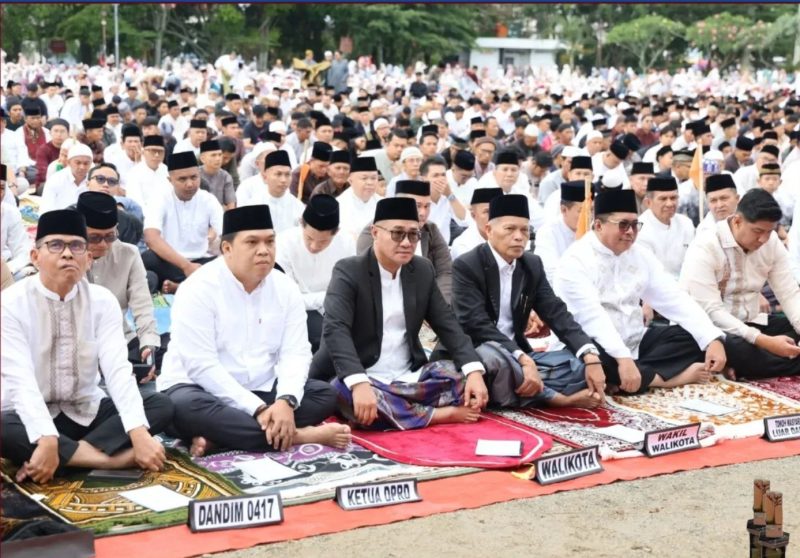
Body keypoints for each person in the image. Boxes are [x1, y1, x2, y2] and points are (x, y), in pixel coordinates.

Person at [157, 205, 351, 455]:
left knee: (323, 394)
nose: (264, 250)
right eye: (252, 242)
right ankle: (298, 435)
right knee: (180, 407)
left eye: (270, 241)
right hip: (198, 388)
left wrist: (286, 401)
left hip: (261, 386)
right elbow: (201, 366)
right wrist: (258, 409)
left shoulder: (284, 287)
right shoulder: (198, 288)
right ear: (227, 249)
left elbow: (296, 353)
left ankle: (222, 438)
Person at [1, 209, 173, 483]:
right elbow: (20, 380)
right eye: (55, 245)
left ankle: (61, 458)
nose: (67, 254)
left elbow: (117, 370)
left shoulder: (102, 301)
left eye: (77, 246)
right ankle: (111, 460)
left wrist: (138, 432)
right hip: (26, 413)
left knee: (159, 404)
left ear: (89, 259)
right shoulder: (10, 303)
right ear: (36, 256)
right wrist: (45, 437)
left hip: (84, 408)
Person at [309, 197, 489, 430]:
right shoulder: (349, 270)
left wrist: (472, 370)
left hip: (408, 374)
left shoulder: (422, 269)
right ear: (375, 232)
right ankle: (437, 415)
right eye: (397, 233)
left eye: (413, 235)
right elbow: (336, 330)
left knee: (467, 377)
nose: (406, 242)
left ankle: (406, 410)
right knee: (347, 395)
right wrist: (358, 382)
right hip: (362, 373)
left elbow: (447, 324)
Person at [555, 189, 728, 394]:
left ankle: (634, 376)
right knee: (593, 358)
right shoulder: (576, 259)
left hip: (635, 342)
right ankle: (662, 380)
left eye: (635, 225)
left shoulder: (640, 255)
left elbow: (673, 298)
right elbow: (591, 317)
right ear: (599, 225)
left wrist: (711, 339)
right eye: (623, 225)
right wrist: (622, 357)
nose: (630, 232)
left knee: (691, 337)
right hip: (595, 345)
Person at [452, 194, 605, 408]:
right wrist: (523, 359)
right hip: (479, 352)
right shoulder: (467, 265)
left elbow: (556, 312)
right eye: (510, 229)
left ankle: (524, 388)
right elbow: (476, 325)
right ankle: (558, 399)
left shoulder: (531, 264)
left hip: (521, 354)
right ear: (489, 230)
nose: (519, 237)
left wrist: (590, 356)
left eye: (525, 230)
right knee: (494, 360)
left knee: (582, 363)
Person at [680, 189, 800, 379]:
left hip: (753, 322)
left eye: (769, 232)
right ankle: (758, 362)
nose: (763, 239)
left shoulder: (771, 242)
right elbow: (711, 311)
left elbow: (789, 293)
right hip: (714, 329)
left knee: (793, 328)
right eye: (758, 231)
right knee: (738, 348)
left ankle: (751, 364)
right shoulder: (707, 244)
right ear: (737, 221)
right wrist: (765, 342)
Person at [77, 192, 160, 381]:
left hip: (118, 338)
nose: (104, 244)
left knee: (165, 352)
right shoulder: (66, 257)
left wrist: (148, 345)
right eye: (95, 238)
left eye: (110, 236)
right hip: (77, 344)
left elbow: (143, 305)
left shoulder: (128, 254)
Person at [276, 194, 356, 353]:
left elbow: (347, 291)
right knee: (325, 339)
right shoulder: (284, 242)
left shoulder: (346, 243)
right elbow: (286, 298)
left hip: (334, 309)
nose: (314, 246)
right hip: (294, 311)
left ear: (336, 232)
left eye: (323, 241)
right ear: (301, 223)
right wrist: (327, 297)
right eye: (309, 238)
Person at [357, 180, 453, 302]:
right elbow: (370, 277)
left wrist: (438, 304)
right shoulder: (375, 232)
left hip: (428, 300)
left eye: (427, 206)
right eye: (417, 206)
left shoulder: (431, 229)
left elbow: (445, 271)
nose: (423, 213)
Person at [142, 151, 223, 293]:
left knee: (227, 264)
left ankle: (180, 286)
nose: (190, 184)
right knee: (148, 258)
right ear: (170, 180)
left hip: (201, 261)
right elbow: (151, 238)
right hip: (170, 262)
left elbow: (227, 234)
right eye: (182, 179)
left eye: (194, 177)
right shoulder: (159, 198)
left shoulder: (208, 199)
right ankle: (196, 285)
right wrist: (186, 266)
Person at [636, 177, 695, 280]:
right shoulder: (640, 230)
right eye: (663, 199)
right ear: (648, 203)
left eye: (673, 198)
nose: (670, 204)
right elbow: (648, 273)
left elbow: (694, 261)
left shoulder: (686, 223)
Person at [236, 150, 304, 232]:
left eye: (287, 174)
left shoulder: (298, 207)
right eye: (278, 174)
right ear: (265, 177)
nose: (283, 180)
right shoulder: (253, 205)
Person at [534, 181, 588, 282]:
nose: (588, 216)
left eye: (591, 210)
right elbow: (550, 274)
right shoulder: (548, 232)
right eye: (581, 211)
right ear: (564, 210)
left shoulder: (597, 229)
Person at [336, 156, 383, 239]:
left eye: (373, 178)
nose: (370, 183)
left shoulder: (383, 203)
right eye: (364, 178)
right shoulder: (339, 204)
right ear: (350, 181)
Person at [39, 143, 93, 214]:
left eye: (86, 163)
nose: (82, 167)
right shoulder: (55, 179)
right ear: (69, 162)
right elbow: (45, 210)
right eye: (78, 163)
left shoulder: (95, 180)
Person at [450, 188, 504, 260]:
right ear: (473, 215)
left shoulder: (514, 237)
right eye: (487, 211)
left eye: (498, 210)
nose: (493, 215)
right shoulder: (464, 245)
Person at [124, 135, 171, 211]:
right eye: (152, 151)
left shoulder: (167, 171)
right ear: (143, 152)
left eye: (160, 152)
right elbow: (135, 201)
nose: (156, 155)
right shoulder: (134, 173)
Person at [199, 139, 235, 210]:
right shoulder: (195, 175)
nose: (218, 158)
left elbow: (231, 205)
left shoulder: (225, 176)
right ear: (203, 159)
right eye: (213, 155)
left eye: (220, 155)